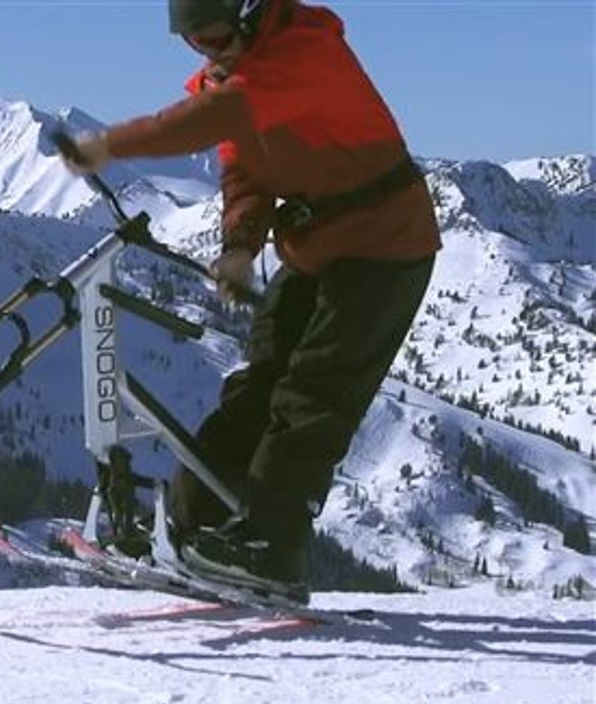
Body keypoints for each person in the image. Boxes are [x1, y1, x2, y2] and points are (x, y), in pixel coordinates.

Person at [60, 0, 440, 602]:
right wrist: (239, 247)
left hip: (385, 246)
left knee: (313, 394)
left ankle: (270, 547)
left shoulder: (305, 54)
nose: (208, 52)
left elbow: (211, 120)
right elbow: (245, 173)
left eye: (214, 36)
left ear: (251, 13)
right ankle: (192, 528)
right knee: (255, 386)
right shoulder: (231, 76)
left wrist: (111, 144)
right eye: (193, 43)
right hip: (317, 247)